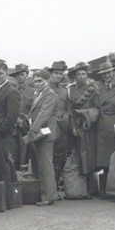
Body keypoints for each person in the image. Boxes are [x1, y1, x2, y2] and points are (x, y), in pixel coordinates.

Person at [26, 69, 59, 206]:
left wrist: (32, 130)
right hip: (40, 134)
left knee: (46, 166)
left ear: (47, 81)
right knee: (41, 165)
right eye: (35, 81)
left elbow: (44, 114)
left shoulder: (50, 95)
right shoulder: (38, 94)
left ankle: (49, 196)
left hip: (45, 134)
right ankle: (46, 194)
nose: (37, 83)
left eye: (40, 81)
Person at [94, 58, 115, 195]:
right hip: (101, 124)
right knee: (104, 158)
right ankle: (105, 189)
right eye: (104, 73)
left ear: (113, 72)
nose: (107, 75)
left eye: (109, 72)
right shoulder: (97, 88)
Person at [0, 61, 20, 197]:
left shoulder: (11, 91)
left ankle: (10, 194)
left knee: (4, 163)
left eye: (1, 73)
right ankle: (8, 193)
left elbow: (12, 117)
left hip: (3, 134)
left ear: (6, 74)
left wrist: (0, 130)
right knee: (0, 163)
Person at [65, 62, 99, 175]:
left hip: (88, 126)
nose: (81, 76)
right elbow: (69, 110)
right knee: (75, 154)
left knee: (89, 155)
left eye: (84, 74)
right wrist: (73, 126)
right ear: (75, 76)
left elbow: (97, 108)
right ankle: (77, 182)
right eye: (79, 74)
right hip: (75, 126)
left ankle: (91, 184)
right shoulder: (70, 90)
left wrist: (87, 117)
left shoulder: (93, 89)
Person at [48, 61, 70, 190]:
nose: (58, 76)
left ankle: (55, 186)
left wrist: (65, 119)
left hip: (61, 128)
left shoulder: (64, 90)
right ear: (51, 74)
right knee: (47, 157)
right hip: (47, 128)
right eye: (56, 73)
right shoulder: (44, 88)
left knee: (59, 157)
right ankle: (48, 187)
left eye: (61, 74)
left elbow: (68, 108)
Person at [9, 64, 35, 171]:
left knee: (26, 155)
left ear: (27, 75)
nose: (20, 77)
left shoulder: (33, 91)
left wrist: (26, 119)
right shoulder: (11, 90)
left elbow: (34, 109)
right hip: (13, 127)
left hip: (27, 128)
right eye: (17, 75)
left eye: (22, 74)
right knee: (14, 154)